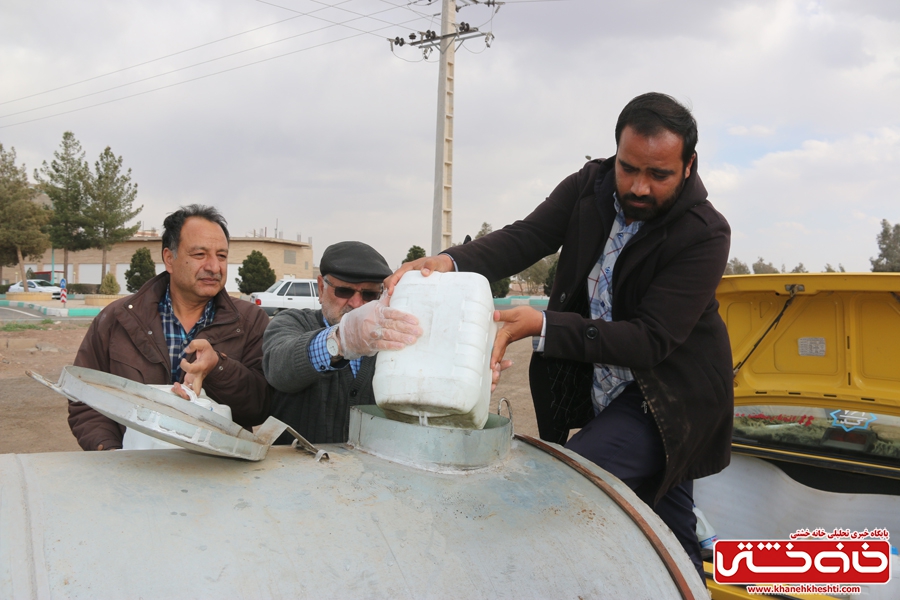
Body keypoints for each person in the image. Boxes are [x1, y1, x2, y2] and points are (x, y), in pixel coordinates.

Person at [388, 92, 733, 578]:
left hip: (670, 396)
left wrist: (545, 325)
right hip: (608, 388)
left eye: (659, 175)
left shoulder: (705, 233)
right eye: (629, 168)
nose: (639, 186)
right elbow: (527, 236)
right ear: (616, 153)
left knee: (571, 482)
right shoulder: (589, 185)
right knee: (672, 536)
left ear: (689, 166)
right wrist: (451, 260)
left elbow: (650, 340)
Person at [68, 205, 271, 451]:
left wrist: (218, 367)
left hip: (217, 474)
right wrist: (110, 451)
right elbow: (85, 396)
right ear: (169, 259)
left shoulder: (250, 322)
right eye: (199, 255)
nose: (214, 267)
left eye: (221, 256)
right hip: (133, 472)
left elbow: (260, 407)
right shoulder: (117, 318)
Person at [262, 241, 421, 444]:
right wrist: (340, 340)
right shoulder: (292, 322)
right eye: (344, 291)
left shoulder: (392, 341)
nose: (356, 303)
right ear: (321, 288)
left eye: (369, 294)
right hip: (296, 471)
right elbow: (278, 367)